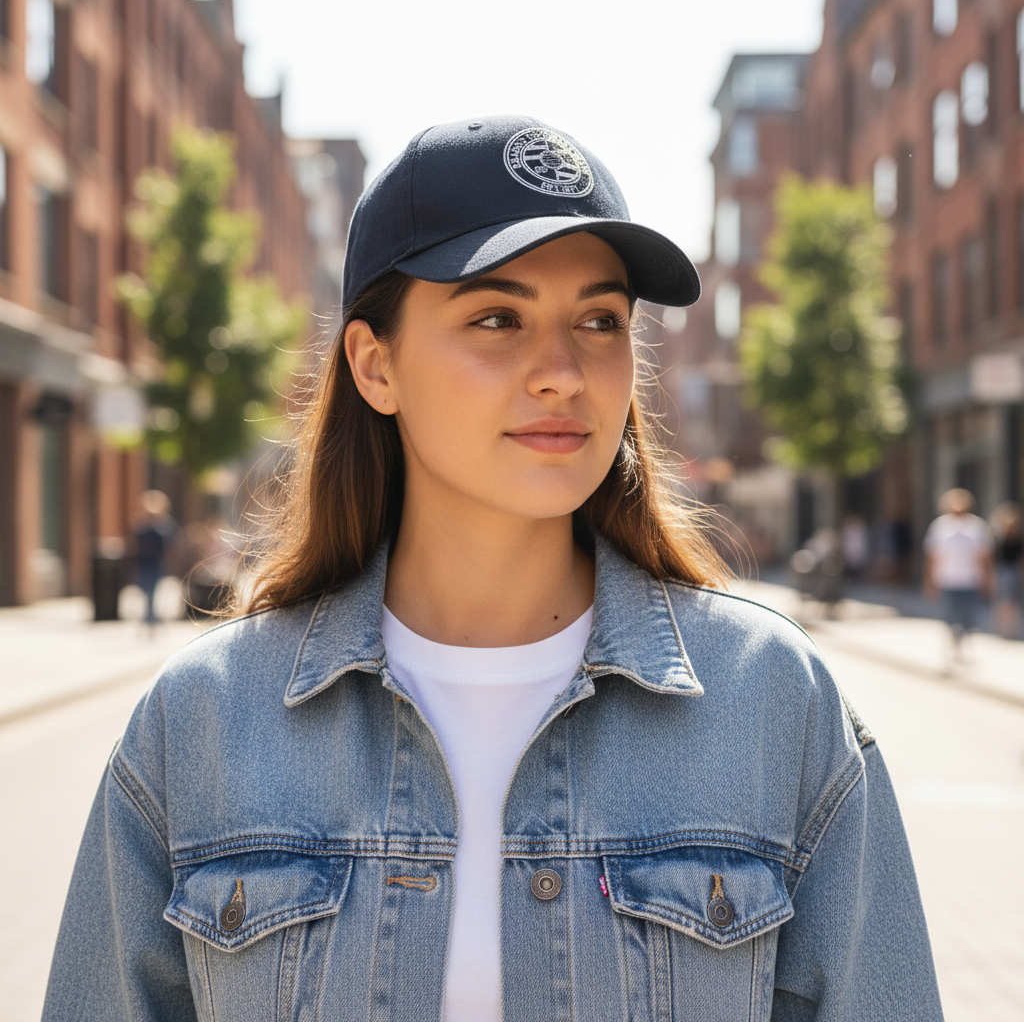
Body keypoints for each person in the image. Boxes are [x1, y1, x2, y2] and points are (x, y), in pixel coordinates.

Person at [43, 116, 942, 1021]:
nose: (562, 372)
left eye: (600, 320)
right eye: (497, 317)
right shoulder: (201, 722)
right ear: (374, 364)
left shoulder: (774, 705)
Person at [923, 487, 994, 656]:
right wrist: (929, 580)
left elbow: (985, 555)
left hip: (970, 579)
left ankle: (964, 637)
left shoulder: (976, 526)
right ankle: (955, 640)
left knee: (969, 614)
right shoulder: (940, 526)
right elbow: (932, 556)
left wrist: (988, 577)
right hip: (948, 579)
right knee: (950, 614)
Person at [130, 489, 177, 627]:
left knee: (154, 590)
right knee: (146, 590)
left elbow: (169, 547)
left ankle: (151, 614)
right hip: (144, 564)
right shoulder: (141, 526)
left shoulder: (164, 527)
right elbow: (135, 546)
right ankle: (149, 614)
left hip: (157, 564)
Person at [990, 501, 1023, 639]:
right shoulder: (998, 539)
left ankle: (1011, 629)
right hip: (1002, 571)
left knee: (1013, 602)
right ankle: (1002, 628)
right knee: (1003, 601)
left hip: (1013, 571)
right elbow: (993, 558)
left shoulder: (1018, 539)